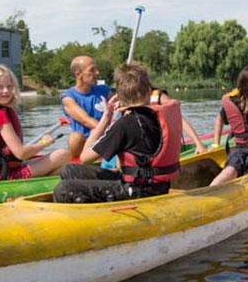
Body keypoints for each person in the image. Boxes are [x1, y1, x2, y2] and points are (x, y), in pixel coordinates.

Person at [53, 63, 182, 203]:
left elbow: (85, 157)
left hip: (139, 191)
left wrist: (106, 117)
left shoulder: (124, 124)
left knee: (63, 189)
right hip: (155, 184)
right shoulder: (159, 114)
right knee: (70, 170)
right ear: (148, 91)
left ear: (120, 97)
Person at [61, 55, 112, 160]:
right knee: (75, 137)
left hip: (103, 139)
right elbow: (87, 121)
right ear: (78, 74)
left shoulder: (104, 90)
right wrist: (114, 133)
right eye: (92, 70)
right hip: (83, 144)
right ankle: (80, 162)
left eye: (96, 69)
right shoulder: (68, 98)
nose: (97, 73)